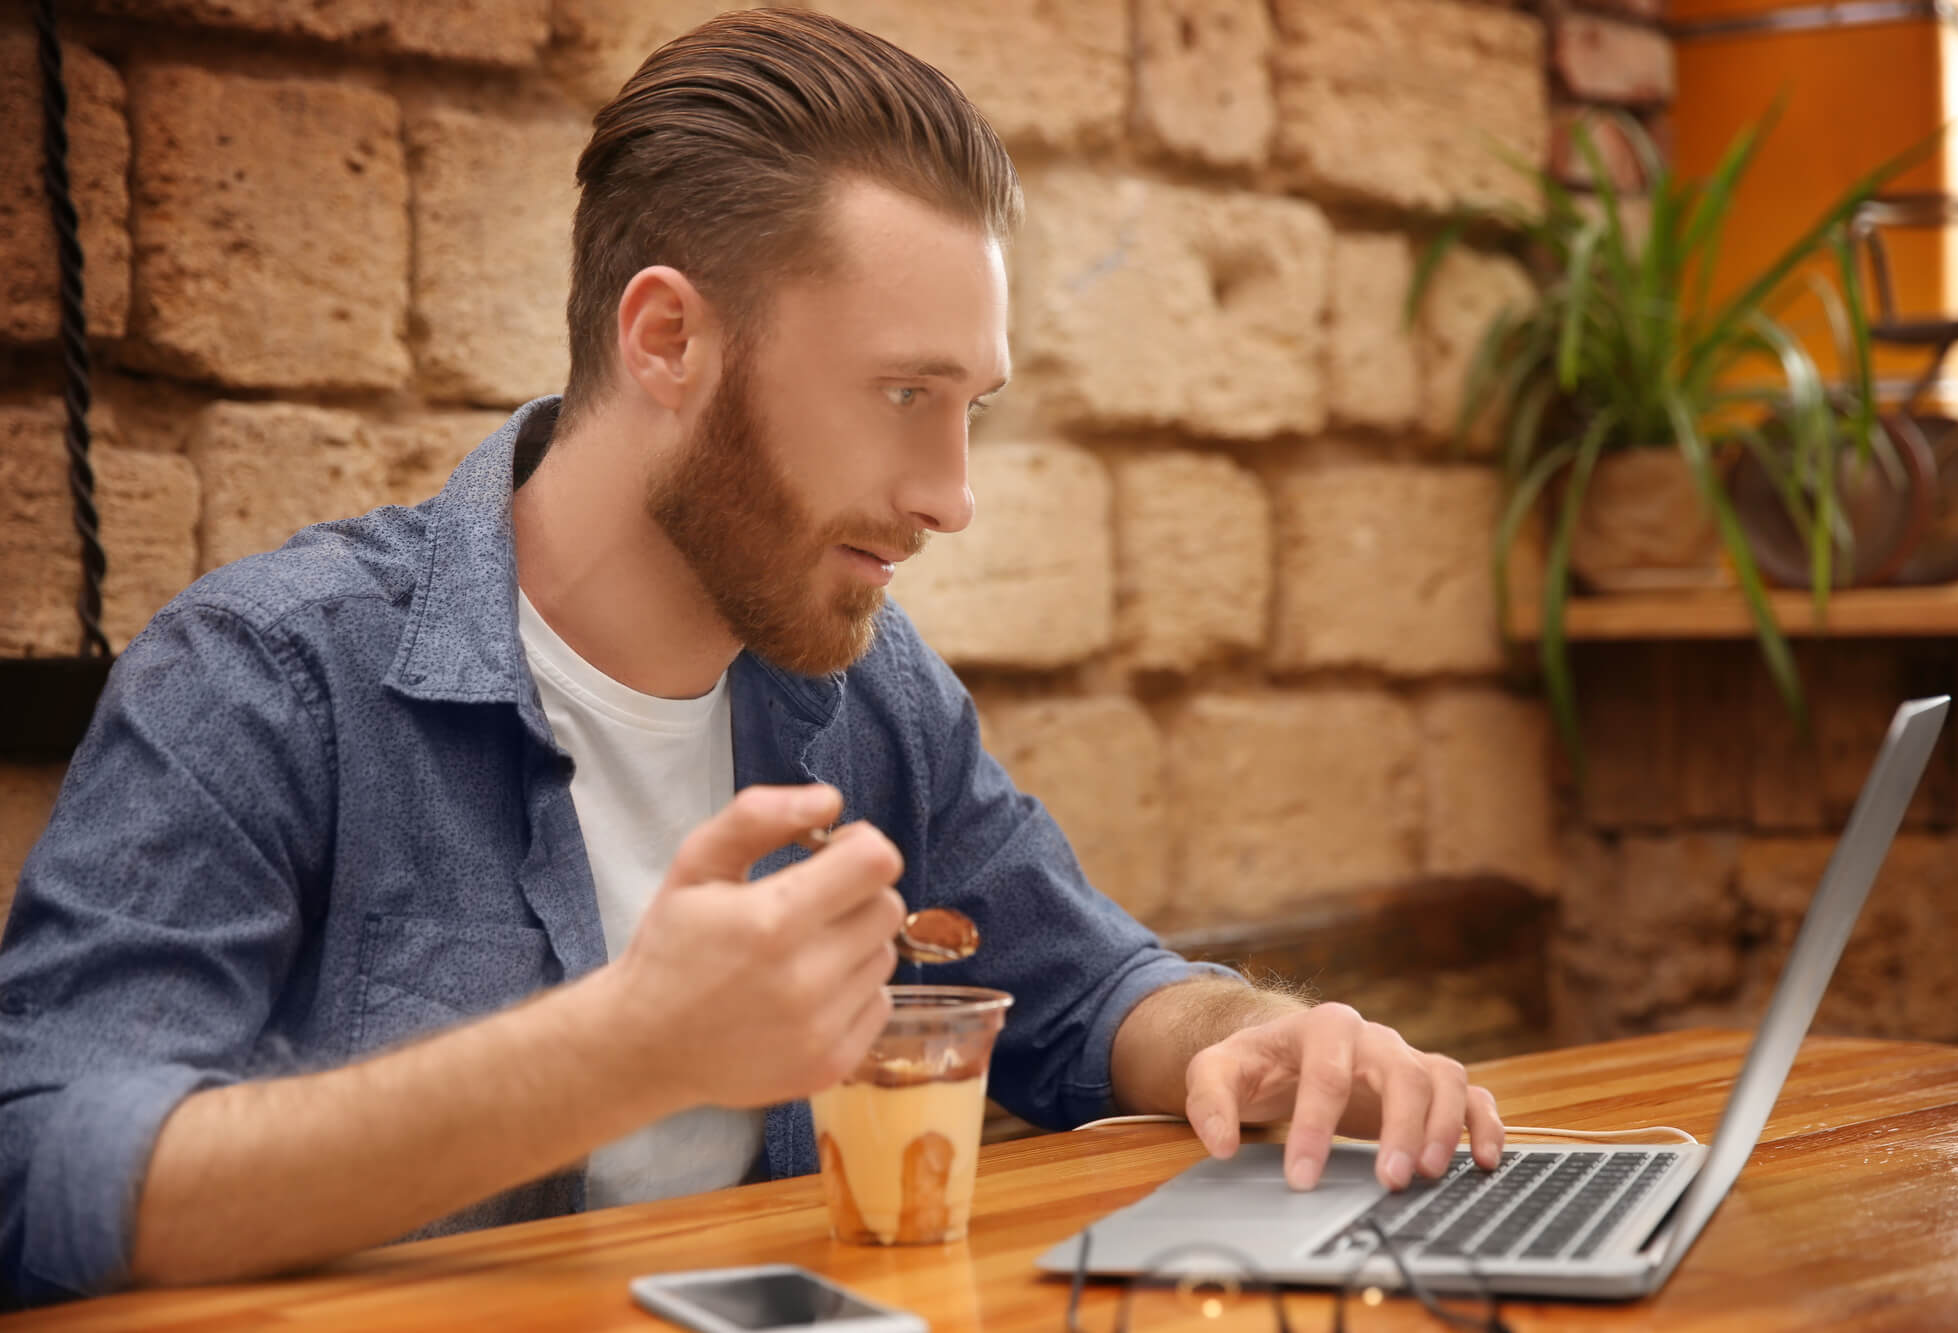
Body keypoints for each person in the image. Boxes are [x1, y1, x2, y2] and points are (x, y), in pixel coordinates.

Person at [0, 8, 1504, 1308]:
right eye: (904, 392)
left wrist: (1255, 1039)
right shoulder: (270, 675)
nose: (950, 496)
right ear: (666, 341)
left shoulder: (862, 685)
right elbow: (42, 1168)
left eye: (967, 405)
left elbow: (1090, 988)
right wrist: (623, 1048)